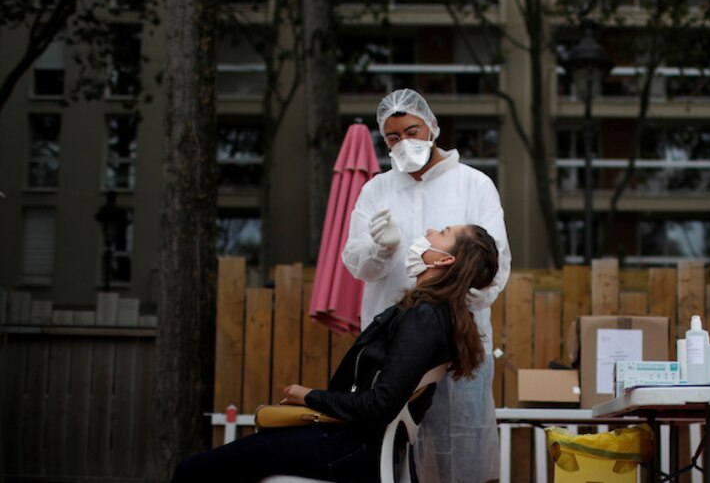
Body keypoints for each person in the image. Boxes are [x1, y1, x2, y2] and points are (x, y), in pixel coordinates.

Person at [173, 225, 500, 483]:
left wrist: (309, 396)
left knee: (193, 471)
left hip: (349, 448)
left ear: (444, 260)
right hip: (349, 442)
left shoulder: (426, 317)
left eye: (442, 233)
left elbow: (379, 406)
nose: (429, 232)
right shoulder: (430, 314)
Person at [341, 88, 511, 482]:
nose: (404, 143)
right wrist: (381, 251)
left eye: (412, 130)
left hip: (457, 344)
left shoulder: (473, 185)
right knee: (389, 449)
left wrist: (470, 294)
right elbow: (355, 262)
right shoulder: (376, 190)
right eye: (393, 137)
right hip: (391, 345)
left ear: (433, 126)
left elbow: (494, 261)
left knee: (460, 447)